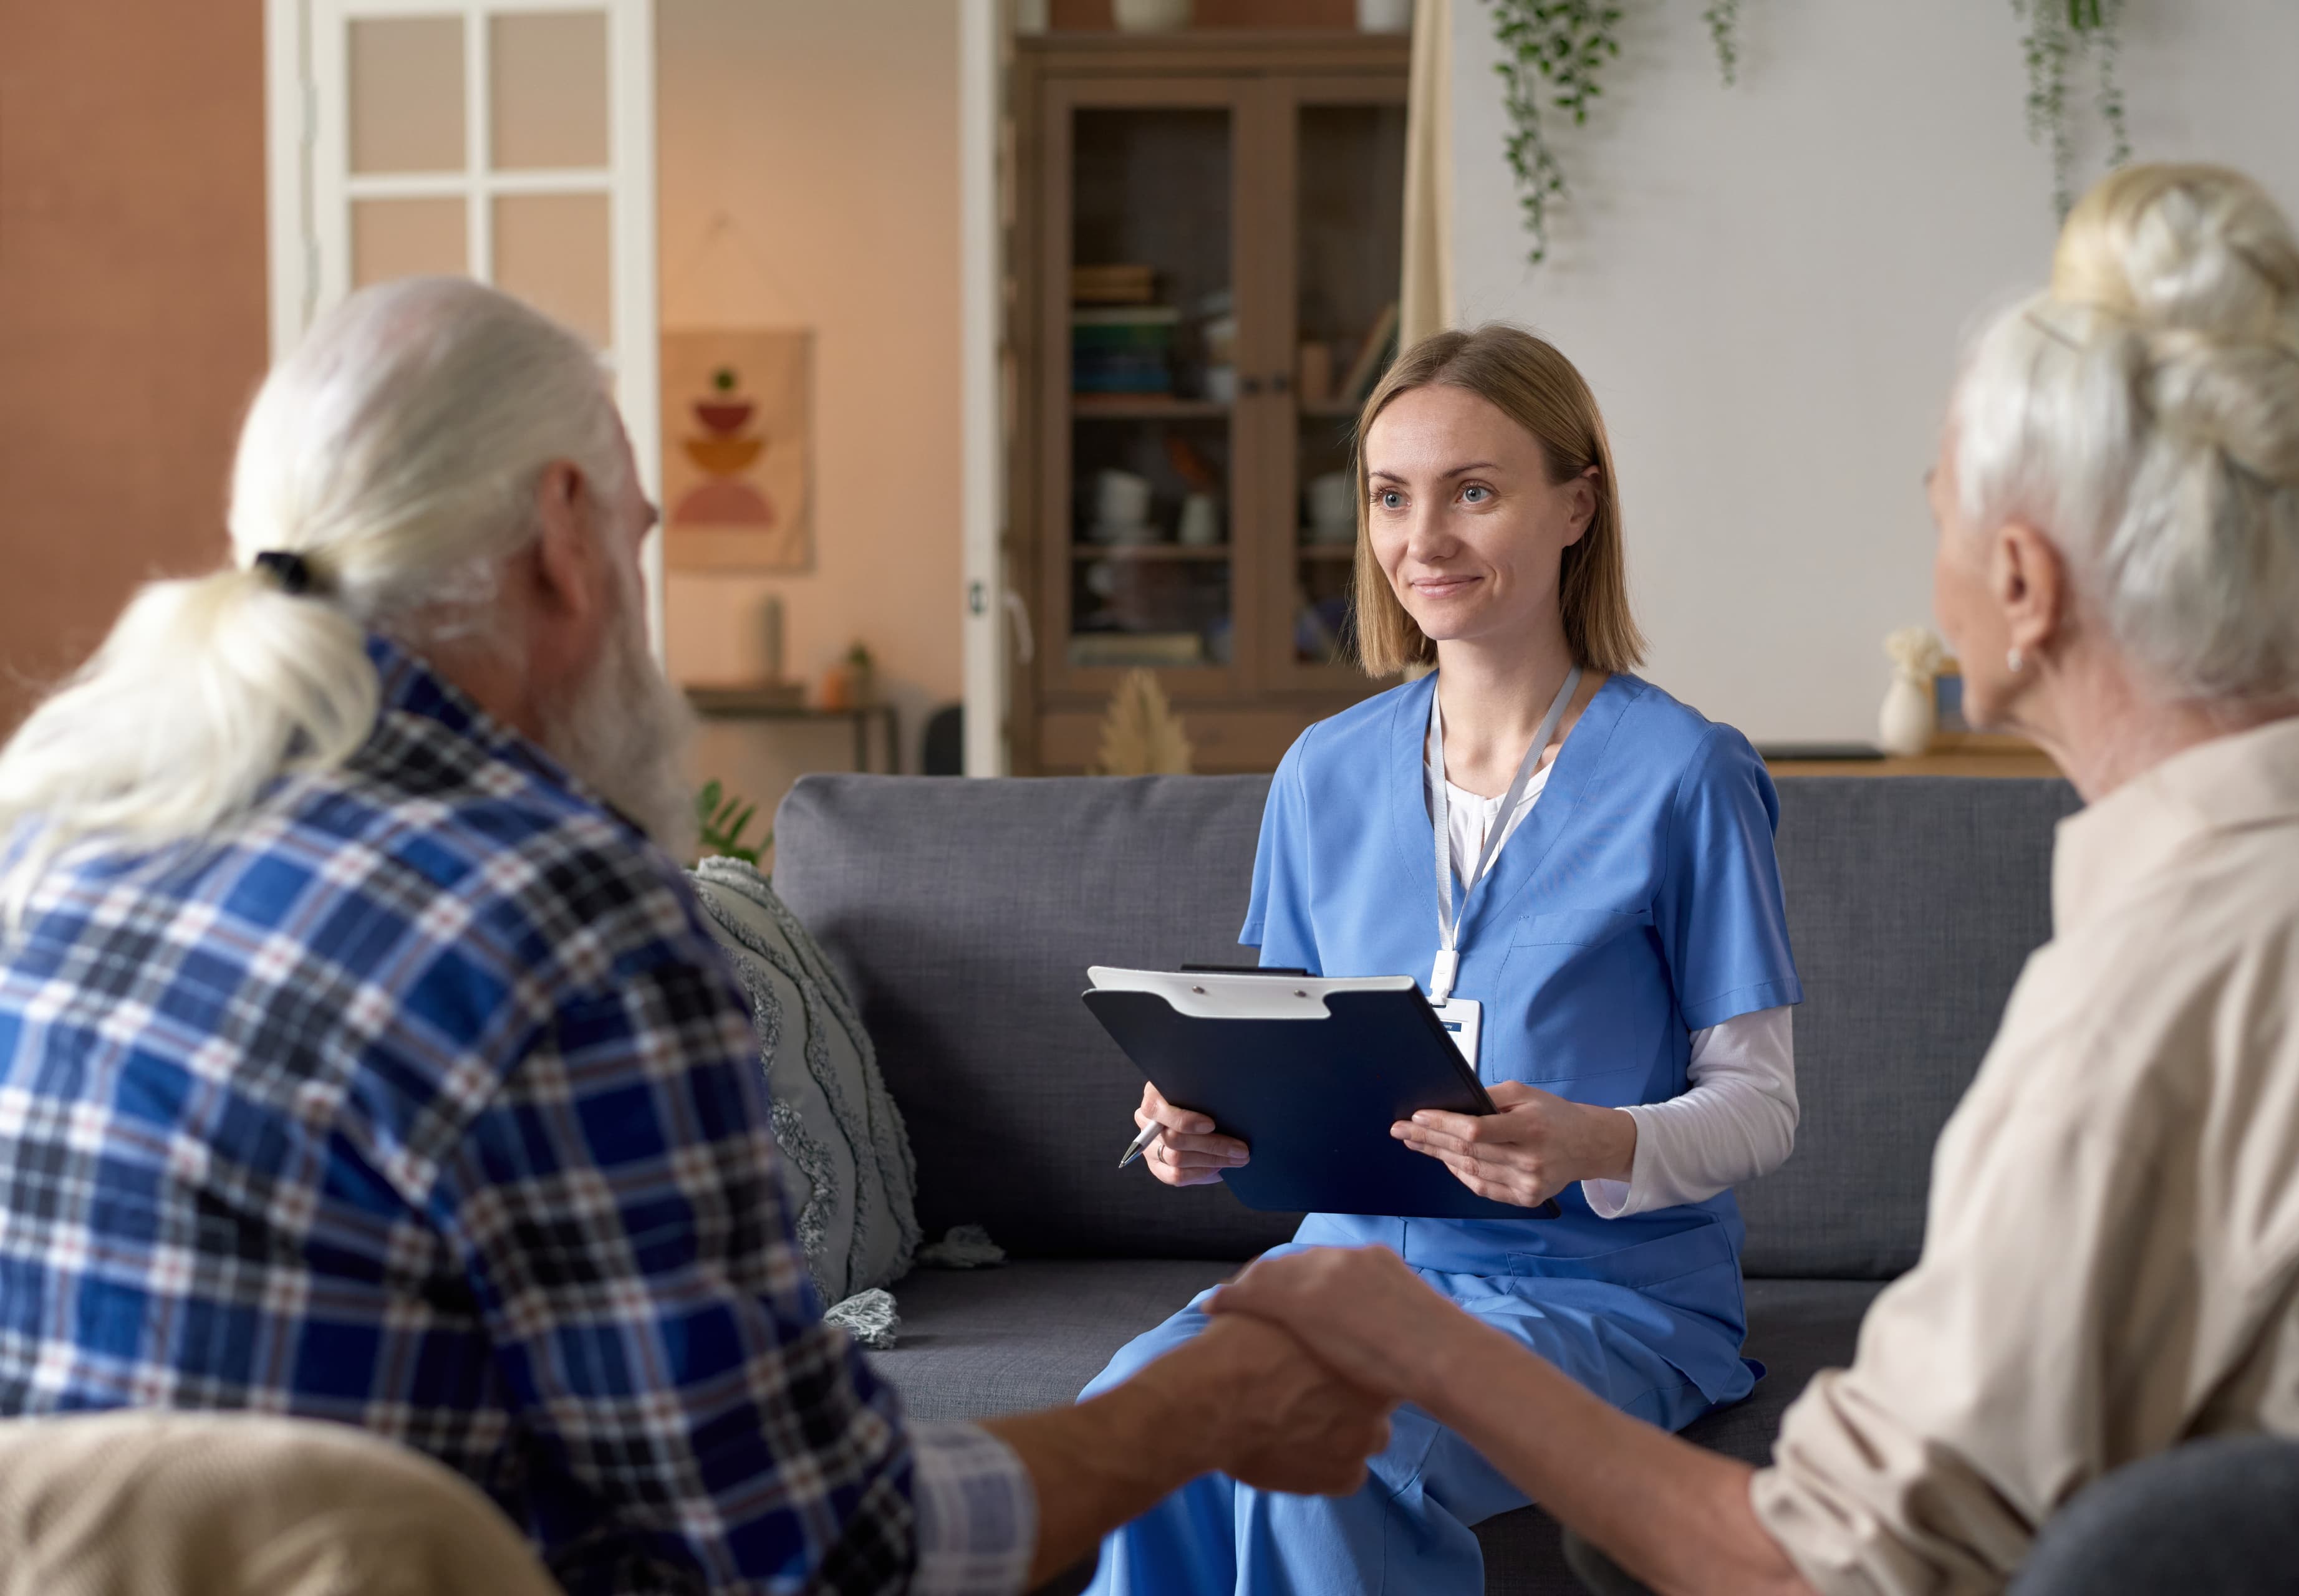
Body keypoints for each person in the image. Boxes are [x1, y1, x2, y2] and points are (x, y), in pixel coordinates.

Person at [0, 276, 1394, 1595]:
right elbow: (834, 1549)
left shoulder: (58, 835)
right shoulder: (559, 913)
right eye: (641, 532)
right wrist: (1195, 1406)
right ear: (563, 531)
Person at [1208, 162, 2299, 1595]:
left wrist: (1434, 1343)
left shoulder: (2146, 999)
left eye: (1935, 507)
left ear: (2019, 583)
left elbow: (1832, 1558)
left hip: (1591, 1302)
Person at [1085, 324, 1806, 1594]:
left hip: (1603, 1289)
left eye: (1475, 490)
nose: (1425, 538)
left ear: (1576, 503)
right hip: (1344, 1265)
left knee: (1323, 1447)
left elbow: (1763, 1105)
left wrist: (1593, 1141)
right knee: (1129, 1426)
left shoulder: (1686, 773)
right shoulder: (1323, 773)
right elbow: (1293, 1059)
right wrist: (1199, 1127)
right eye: (1391, 495)